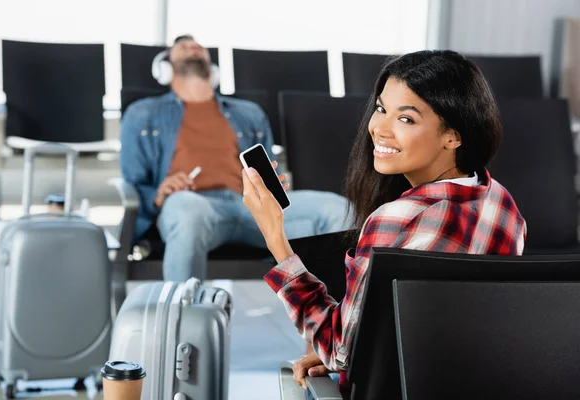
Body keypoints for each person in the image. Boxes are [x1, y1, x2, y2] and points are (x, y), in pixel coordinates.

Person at [242, 50, 527, 397]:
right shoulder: (502, 205)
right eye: (381, 109)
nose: (379, 129)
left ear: (453, 135)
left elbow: (340, 350)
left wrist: (275, 237)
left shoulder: (394, 221)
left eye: (405, 119)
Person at [120, 35, 351, 282]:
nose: (194, 48)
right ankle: (184, 314)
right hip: (196, 206)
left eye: (199, 47)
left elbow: (268, 168)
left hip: (252, 206)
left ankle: (338, 312)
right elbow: (134, 183)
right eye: (184, 47)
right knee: (183, 208)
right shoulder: (142, 114)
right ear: (165, 69)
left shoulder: (248, 113)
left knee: (338, 210)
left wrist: (273, 184)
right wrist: (159, 194)